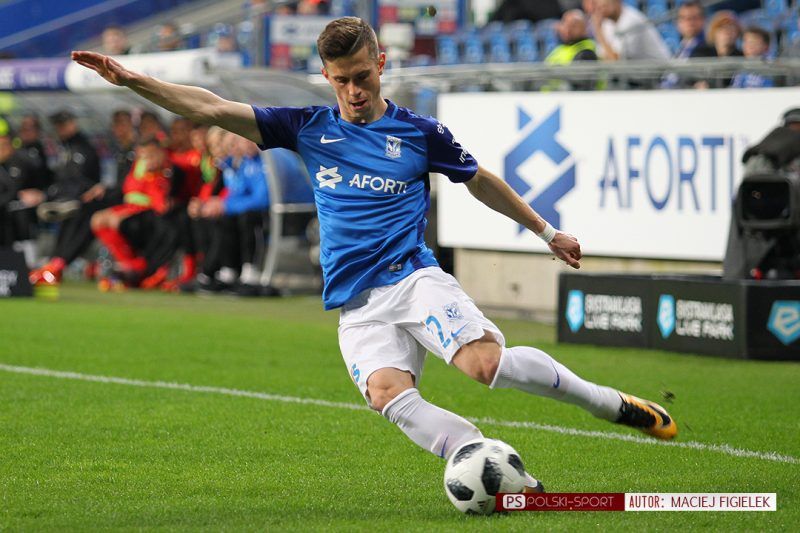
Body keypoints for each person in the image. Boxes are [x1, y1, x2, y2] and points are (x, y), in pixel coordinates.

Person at [72, 16, 677, 489]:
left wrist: (547, 233)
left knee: (484, 367)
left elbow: (479, 181)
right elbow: (208, 106)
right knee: (387, 395)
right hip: (355, 303)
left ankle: (609, 403)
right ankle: (488, 464)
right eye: (341, 80)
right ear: (326, 76)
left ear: (380, 63)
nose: (353, 90)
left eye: (362, 76)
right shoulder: (307, 127)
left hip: (412, 277)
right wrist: (133, 80)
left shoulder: (418, 133)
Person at [660, 1, 717, 89]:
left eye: (694, 18)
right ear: (678, 22)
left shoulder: (707, 49)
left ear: (703, 20)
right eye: (684, 18)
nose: (690, 22)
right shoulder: (681, 48)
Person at [591, 0, 670, 61]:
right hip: (640, 73)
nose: (601, 11)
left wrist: (598, 31)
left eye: (605, 6)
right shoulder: (607, 22)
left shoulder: (632, 20)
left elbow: (615, 61)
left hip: (661, 72)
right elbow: (603, 56)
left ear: (617, 2)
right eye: (599, 7)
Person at [543, 9, 600, 91]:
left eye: (573, 26)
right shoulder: (559, 49)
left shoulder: (586, 50)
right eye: (564, 24)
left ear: (584, 28)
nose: (568, 29)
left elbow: (580, 84)